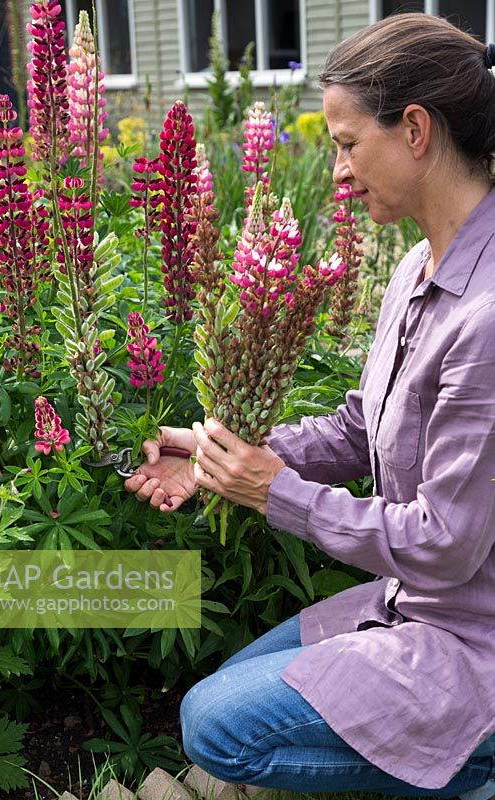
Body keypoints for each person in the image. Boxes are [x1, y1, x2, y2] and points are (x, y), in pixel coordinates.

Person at [125, 12, 495, 799]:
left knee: (216, 724)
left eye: (347, 143)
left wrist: (274, 493)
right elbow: (363, 425)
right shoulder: (419, 267)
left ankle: (473, 771)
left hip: (474, 636)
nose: (335, 170)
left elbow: (445, 544)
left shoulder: (486, 313)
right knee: (235, 686)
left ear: (416, 131)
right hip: (416, 605)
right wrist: (209, 451)